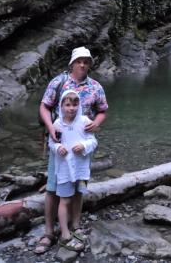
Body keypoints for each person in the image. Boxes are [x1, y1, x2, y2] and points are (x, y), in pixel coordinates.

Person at [35, 46, 108, 255]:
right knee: (52, 187)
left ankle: (75, 225)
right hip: (61, 143)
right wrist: (51, 129)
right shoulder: (59, 82)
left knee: (79, 187)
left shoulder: (95, 87)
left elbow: (103, 110)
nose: (82, 65)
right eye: (79, 61)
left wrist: (97, 123)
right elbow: (44, 106)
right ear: (72, 63)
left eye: (86, 61)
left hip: (83, 146)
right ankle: (49, 232)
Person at [49, 89, 97, 251]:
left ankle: (76, 225)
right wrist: (58, 147)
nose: (71, 108)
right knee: (65, 200)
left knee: (78, 195)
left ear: (79, 105)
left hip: (82, 170)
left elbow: (93, 141)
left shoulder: (84, 121)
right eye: (67, 105)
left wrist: (84, 145)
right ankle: (64, 233)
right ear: (61, 106)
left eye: (75, 104)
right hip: (64, 169)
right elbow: (52, 143)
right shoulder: (57, 124)